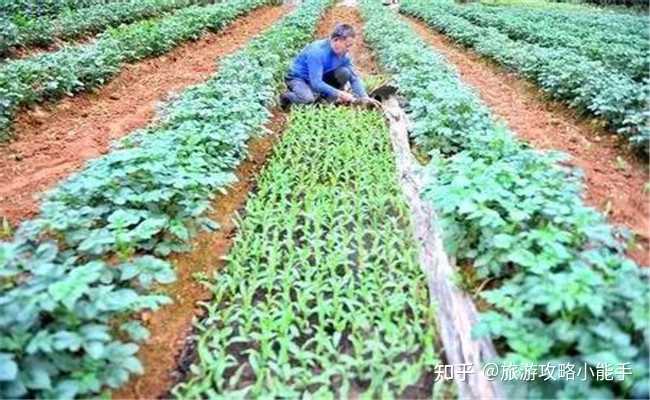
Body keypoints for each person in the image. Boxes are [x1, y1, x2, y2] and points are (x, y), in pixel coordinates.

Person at [279, 23, 376, 109]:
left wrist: (364, 98)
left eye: (350, 46)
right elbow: (316, 83)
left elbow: (354, 78)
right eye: (347, 45)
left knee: (345, 72)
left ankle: (325, 98)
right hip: (298, 79)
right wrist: (340, 93)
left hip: (319, 76)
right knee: (308, 99)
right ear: (336, 40)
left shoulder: (343, 55)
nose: (348, 49)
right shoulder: (317, 52)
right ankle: (286, 97)